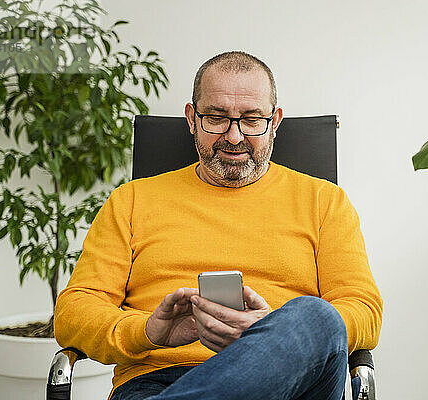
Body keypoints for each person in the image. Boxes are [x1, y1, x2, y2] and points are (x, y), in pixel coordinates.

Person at [54, 51, 383, 400]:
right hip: (160, 380)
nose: (235, 136)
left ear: (275, 122)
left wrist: (271, 333)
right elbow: (74, 312)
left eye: (252, 119)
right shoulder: (131, 201)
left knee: (317, 317)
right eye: (216, 117)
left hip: (290, 383)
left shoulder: (325, 201)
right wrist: (149, 331)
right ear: (191, 118)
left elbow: (364, 310)